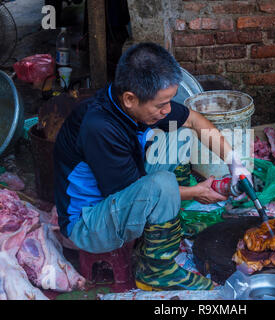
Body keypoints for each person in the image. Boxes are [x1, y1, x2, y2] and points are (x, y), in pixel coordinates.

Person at [54, 42, 252, 291]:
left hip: (119, 197)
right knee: (163, 183)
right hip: (88, 224)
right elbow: (134, 189)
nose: (167, 110)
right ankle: (158, 272)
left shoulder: (131, 103)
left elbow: (193, 119)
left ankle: (168, 225)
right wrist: (197, 191)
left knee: (179, 133)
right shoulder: (99, 127)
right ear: (130, 99)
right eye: (161, 105)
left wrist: (235, 164)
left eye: (169, 101)